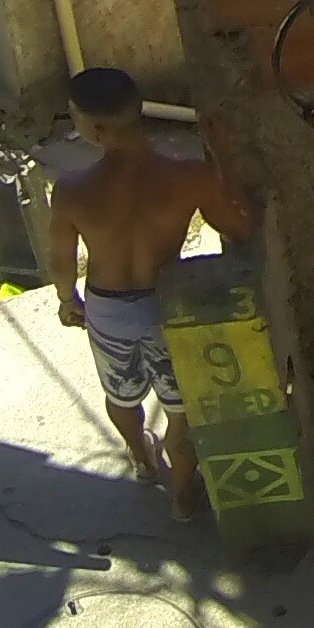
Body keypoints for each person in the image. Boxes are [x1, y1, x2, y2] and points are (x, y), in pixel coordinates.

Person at [43, 66, 256, 516]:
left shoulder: (72, 191)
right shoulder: (189, 177)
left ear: (96, 130)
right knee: (180, 410)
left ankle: (142, 460)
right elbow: (241, 227)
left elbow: (62, 260)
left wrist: (68, 300)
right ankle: (182, 498)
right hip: (168, 306)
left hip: (109, 309)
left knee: (121, 396)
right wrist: (222, 161)